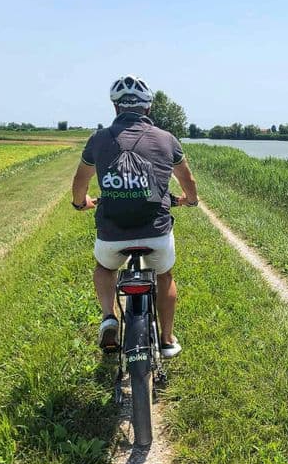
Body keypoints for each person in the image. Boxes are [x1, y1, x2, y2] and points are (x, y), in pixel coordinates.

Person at [71, 75, 199, 357]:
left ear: (115, 108)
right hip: (156, 234)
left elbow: (80, 182)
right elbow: (187, 179)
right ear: (148, 108)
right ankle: (166, 339)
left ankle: (108, 316)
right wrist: (189, 200)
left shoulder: (99, 139)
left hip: (112, 236)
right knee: (164, 275)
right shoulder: (167, 139)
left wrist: (81, 203)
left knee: (105, 269)